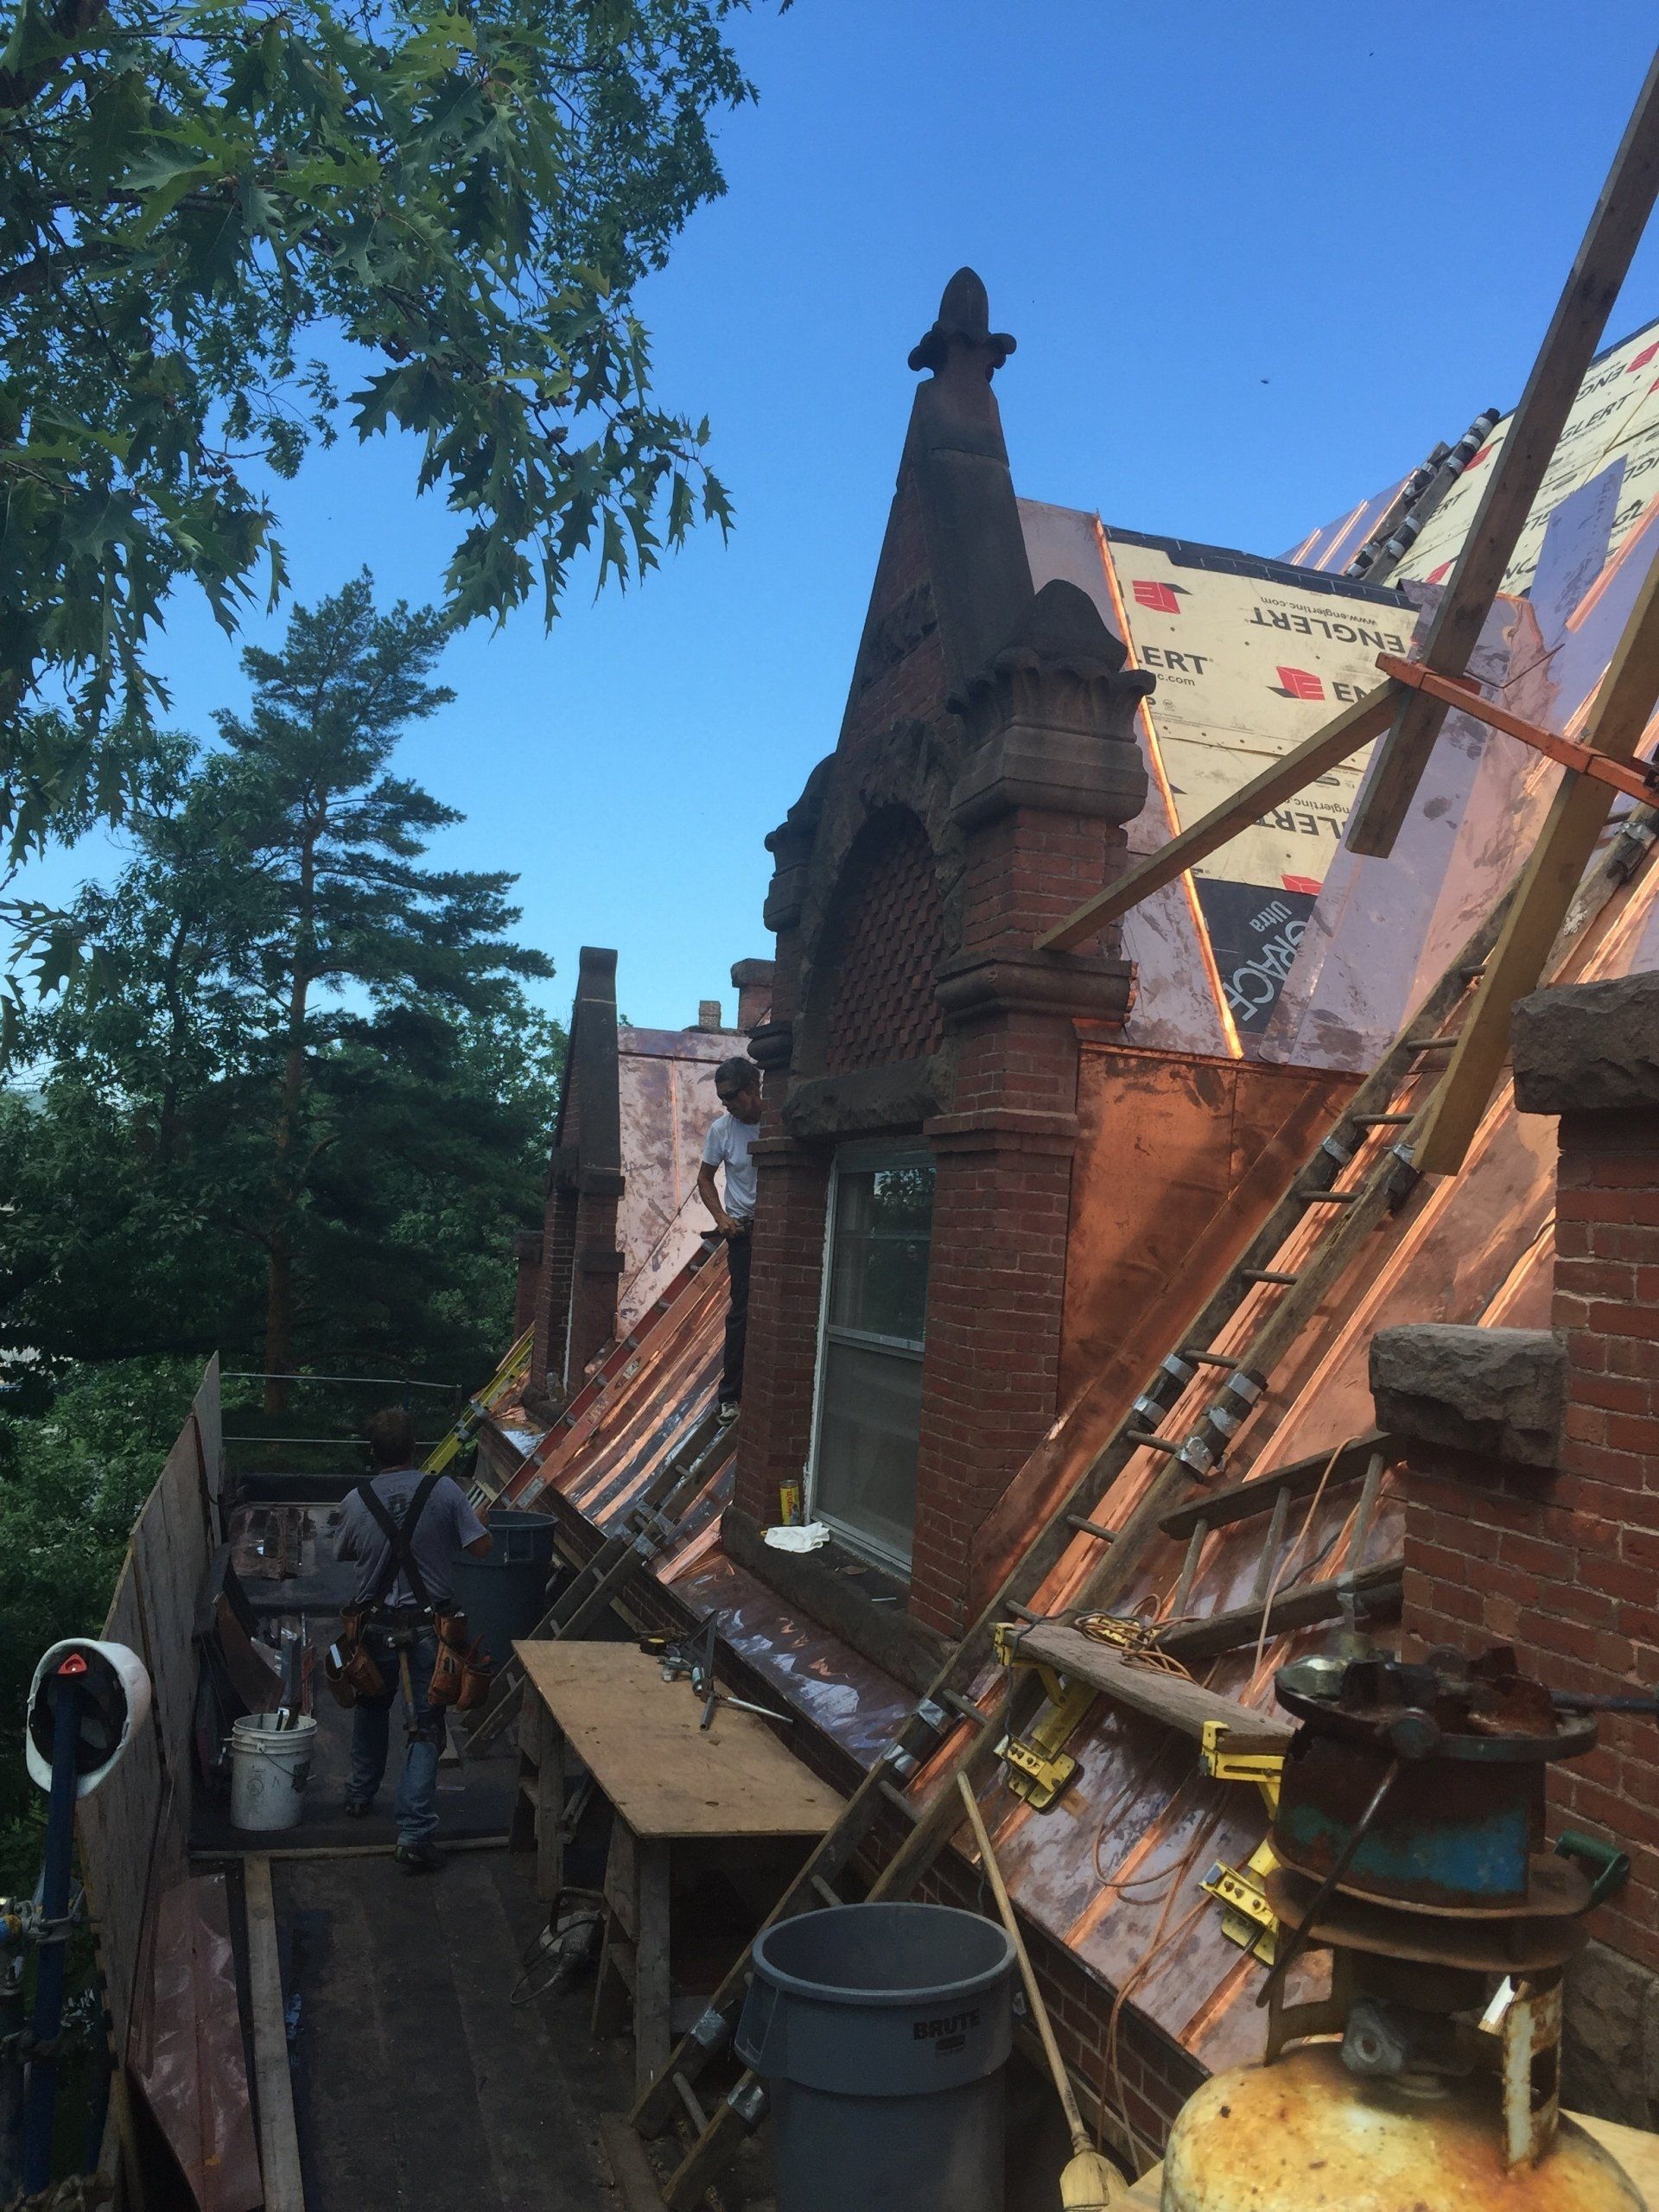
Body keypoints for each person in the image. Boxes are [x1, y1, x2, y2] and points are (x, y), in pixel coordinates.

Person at [334, 1406, 491, 1871]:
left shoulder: (355, 1499)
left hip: (372, 1629)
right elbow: (480, 1548)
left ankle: (360, 1795)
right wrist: (478, 1519)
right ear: (416, 1448)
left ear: (372, 1452)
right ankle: (414, 1832)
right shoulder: (444, 1492)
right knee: (425, 1727)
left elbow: (345, 1551)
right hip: (430, 1630)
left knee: (370, 1706)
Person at [697, 1056, 761, 1423]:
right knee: (741, 1312)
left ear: (753, 1090)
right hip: (743, 1232)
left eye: (732, 1096)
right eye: (722, 1098)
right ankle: (730, 1396)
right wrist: (721, 1219)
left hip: (776, 1225)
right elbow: (705, 1179)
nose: (727, 1105)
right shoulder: (722, 1130)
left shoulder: (775, 1121)